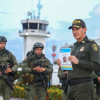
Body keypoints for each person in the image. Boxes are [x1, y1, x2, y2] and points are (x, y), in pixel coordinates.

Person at [57, 19, 100, 100]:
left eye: (77, 29)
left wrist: (79, 62)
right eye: (73, 30)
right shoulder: (73, 47)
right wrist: (62, 64)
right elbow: (71, 67)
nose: (74, 32)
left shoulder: (91, 45)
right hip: (70, 86)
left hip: (83, 86)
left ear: (85, 29)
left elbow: (96, 66)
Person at [0, 36, 18, 100]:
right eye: (1, 43)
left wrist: (11, 70)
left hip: (6, 78)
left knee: (7, 97)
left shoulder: (9, 54)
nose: (2, 44)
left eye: (4, 43)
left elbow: (16, 64)